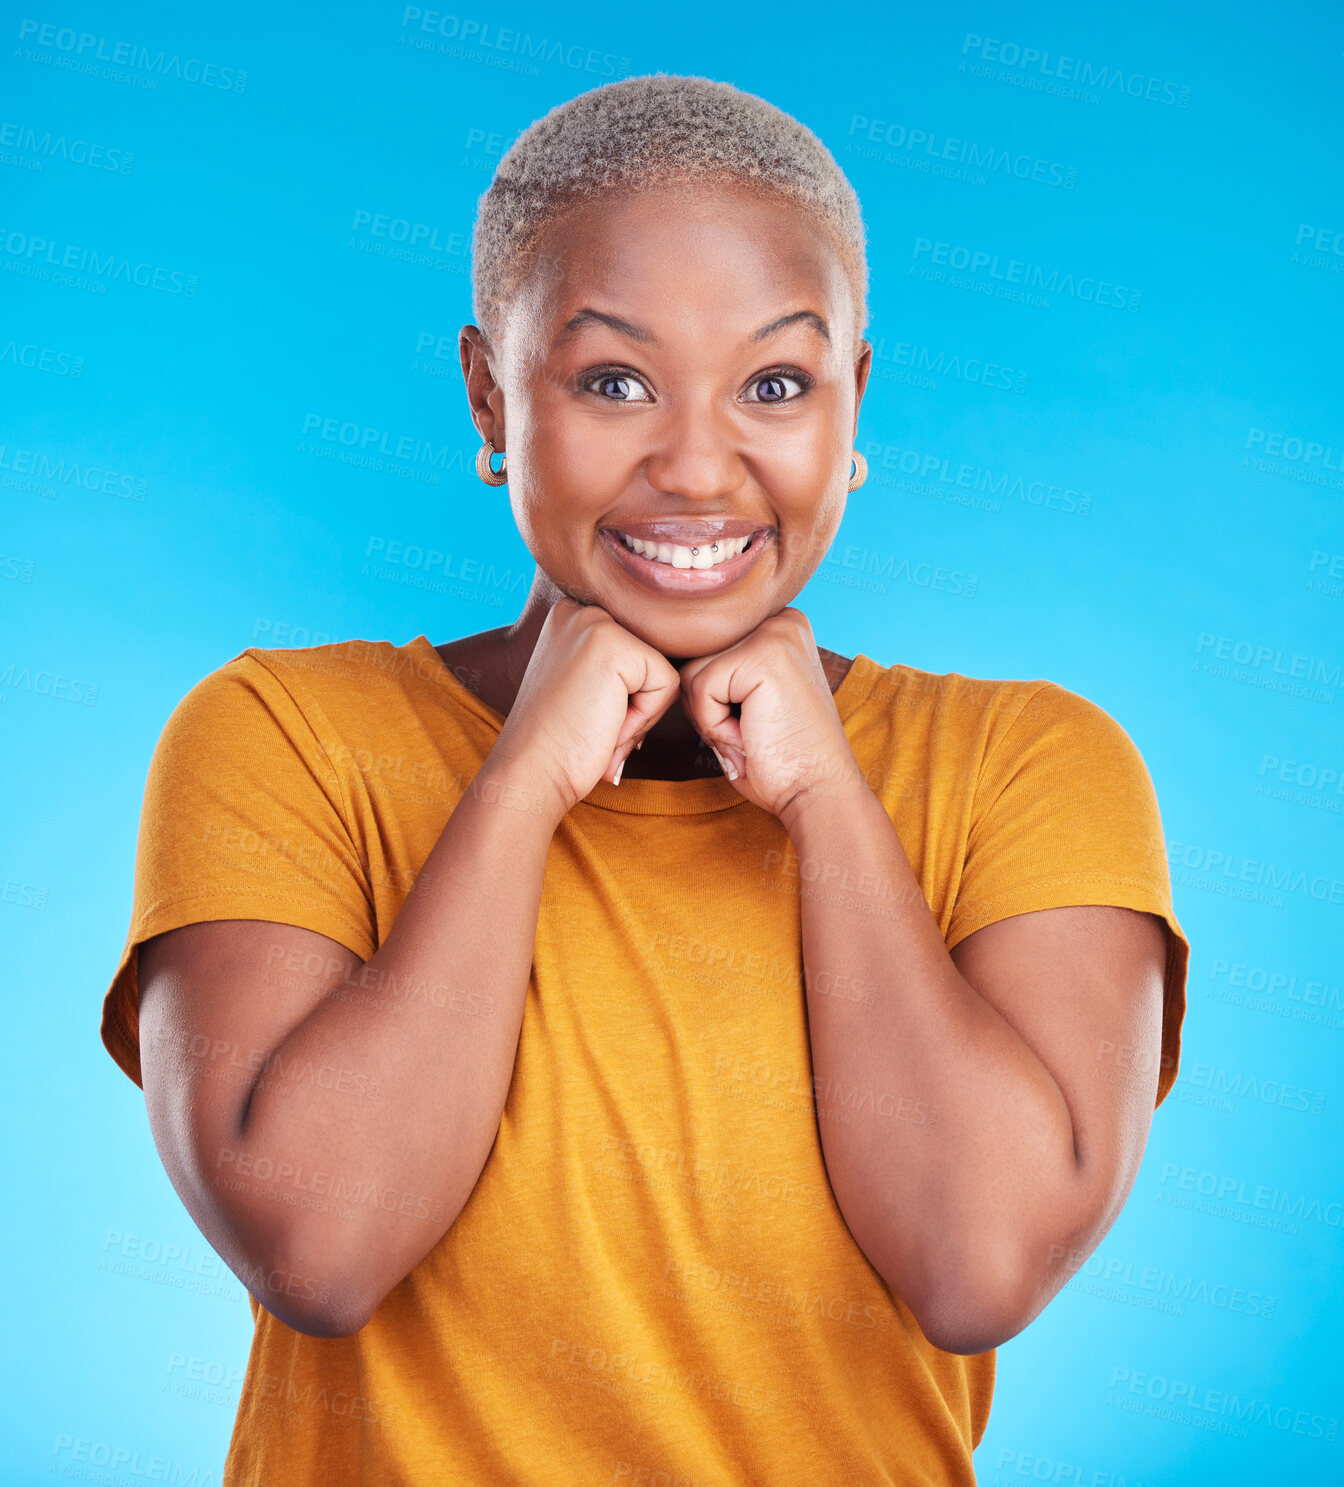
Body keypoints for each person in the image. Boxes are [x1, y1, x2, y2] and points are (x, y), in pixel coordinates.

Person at [99, 73, 1190, 1485]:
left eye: (776, 383)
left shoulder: (1031, 768)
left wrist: (826, 800)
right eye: (613, 379)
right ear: (492, 394)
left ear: (854, 399)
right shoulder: (282, 737)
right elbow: (321, 1244)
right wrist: (525, 778)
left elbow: (977, 1264)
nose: (694, 467)